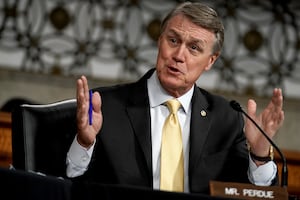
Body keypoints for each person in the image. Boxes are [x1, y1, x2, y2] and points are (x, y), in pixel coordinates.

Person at [66, 1, 284, 194]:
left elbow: (261, 193)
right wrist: (84, 143)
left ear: (211, 61)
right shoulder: (106, 107)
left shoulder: (228, 119)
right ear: (159, 41)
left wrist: (260, 155)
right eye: (173, 40)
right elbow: (68, 183)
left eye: (194, 48)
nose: (179, 56)